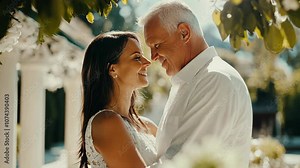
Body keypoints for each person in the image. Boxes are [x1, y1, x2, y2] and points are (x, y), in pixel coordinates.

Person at [138, 1, 253, 167]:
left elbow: (180, 162)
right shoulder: (190, 81)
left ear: (184, 33)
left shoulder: (214, 80)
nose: (153, 56)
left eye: (156, 45)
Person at [78, 31, 158, 168]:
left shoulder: (147, 125)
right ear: (112, 69)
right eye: (137, 57)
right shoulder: (106, 123)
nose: (147, 62)